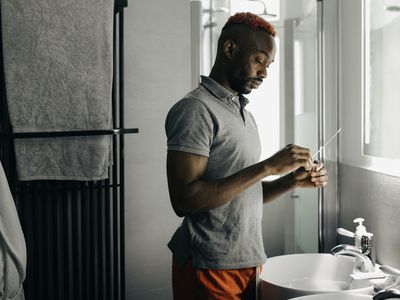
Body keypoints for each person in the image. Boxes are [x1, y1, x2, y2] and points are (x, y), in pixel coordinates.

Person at [165, 12, 328, 300]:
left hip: (248, 262)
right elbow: (184, 200)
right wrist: (267, 166)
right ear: (230, 49)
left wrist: (291, 181)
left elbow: (242, 195)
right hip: (209, 266)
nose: (264, 72)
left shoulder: (244, 115)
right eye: (259, 60)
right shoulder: (195, 110)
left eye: (268, 64)